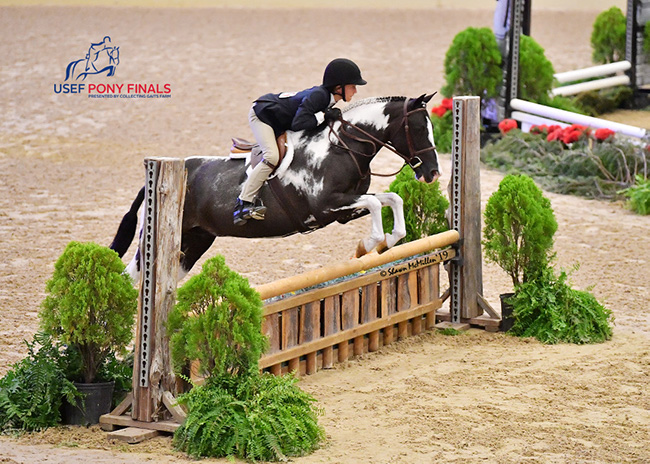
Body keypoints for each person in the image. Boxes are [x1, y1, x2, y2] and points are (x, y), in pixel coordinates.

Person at [233, 58, 367, 226]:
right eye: (353, 86)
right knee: (272, 156)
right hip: (263, 116)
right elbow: (299, 124)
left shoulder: (326, 98)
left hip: (280, 119)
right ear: (339, 87)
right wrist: (324, 115)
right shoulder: (320, 96)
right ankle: (243, 203)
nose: (355, 91)